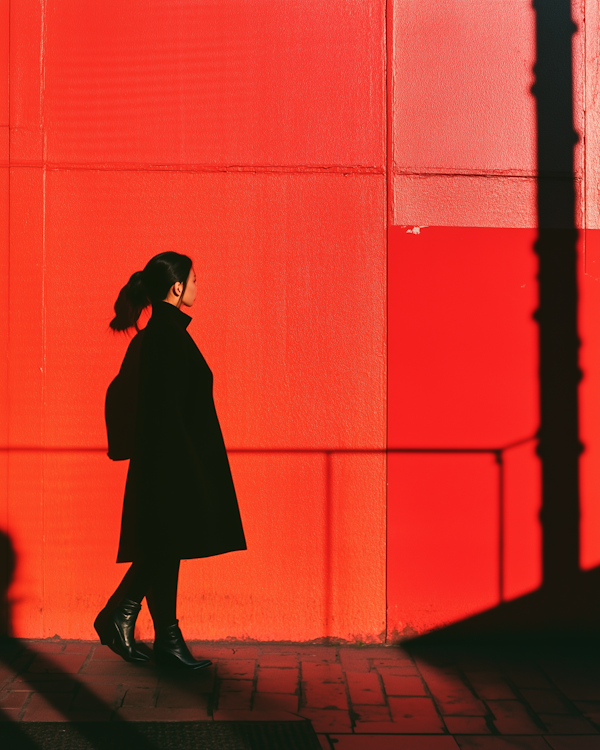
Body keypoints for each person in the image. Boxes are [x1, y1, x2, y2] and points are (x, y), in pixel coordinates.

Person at [95, 252, 247, 670]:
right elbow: (164, 408)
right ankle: (122, 614)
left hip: (170, 457)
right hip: (172, 460)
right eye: (194, 280)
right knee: (166, 543)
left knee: (167, 544)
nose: (198, 287)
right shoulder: (165, 334)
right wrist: (185, 465)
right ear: (177, 288)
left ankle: (164, 637)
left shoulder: (162, 332)